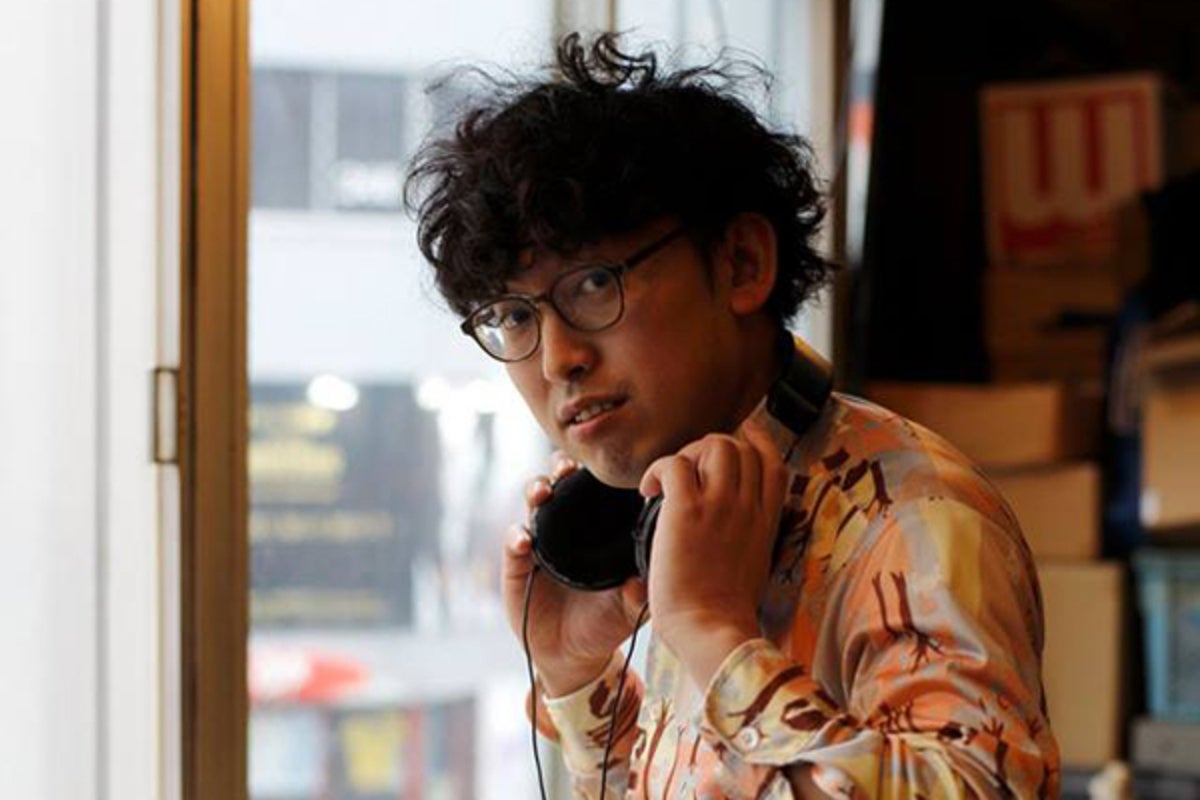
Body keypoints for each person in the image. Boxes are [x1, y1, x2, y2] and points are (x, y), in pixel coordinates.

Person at [405, 32, 1060, 800]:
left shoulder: (913, 518)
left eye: (592, 285)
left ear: (742, 263)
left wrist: (717, 635)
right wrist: (575, 677)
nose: (556, 359)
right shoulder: (681, 516)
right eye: (514, 317)